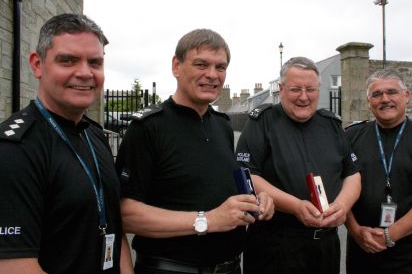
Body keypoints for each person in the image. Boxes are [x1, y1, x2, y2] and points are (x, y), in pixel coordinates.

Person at [115, 28, 274, 274]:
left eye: (220, 67)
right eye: (201, 64)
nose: (212, 75)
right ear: (176, 66)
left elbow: (212, 190)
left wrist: (255, 201)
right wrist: (207, 220)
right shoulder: (148, 128)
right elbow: (125, 214)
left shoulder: (222, 124)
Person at [0, 14, 132, 273]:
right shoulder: (14, 149)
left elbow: (116, 234)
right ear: (37, 65)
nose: (84, 72)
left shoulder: (94, 135)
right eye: (67, 60)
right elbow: (14, 265)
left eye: (95, 62)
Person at [235, 56, 361, 274]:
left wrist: (342, 205)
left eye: (310, 89)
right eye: (295, 89)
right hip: (275, 245)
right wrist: (295, 206)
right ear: (281, 89)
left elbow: (352, 174)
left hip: (325, 246)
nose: (304, 97)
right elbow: (247, 174)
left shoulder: (331, 125)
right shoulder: (262, 122)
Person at [344, 69, 412, 274]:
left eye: (392, 92)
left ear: (406, 96)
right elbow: (340, 191)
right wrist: (355, 230)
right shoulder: (351, 137)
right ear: (369, 101)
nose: (385, 99)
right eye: (377, 94)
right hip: (362, 247)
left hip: (410, 251)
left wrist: (390, 235)